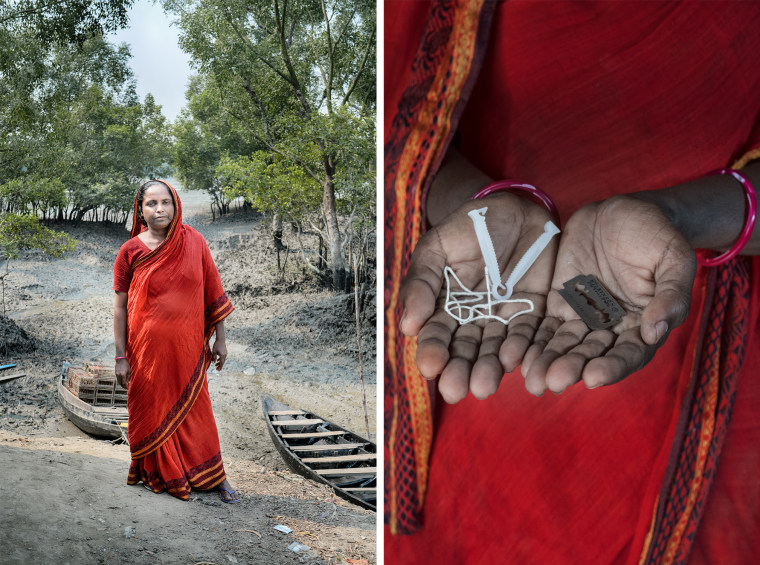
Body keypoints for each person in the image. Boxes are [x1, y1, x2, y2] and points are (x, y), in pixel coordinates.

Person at [385, 1, 760, 563]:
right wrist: (486, 208)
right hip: (482, 408)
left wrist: (680, 218)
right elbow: (399, 124)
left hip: (704, 380)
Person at [113, 179, 239, 503]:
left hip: (189, 350)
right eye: (151, 203)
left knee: (199, 411)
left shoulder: (195, 242)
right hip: (146, 354)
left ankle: (216, 477)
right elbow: (120, 309)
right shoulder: (130, 251)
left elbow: (214, 293)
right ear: (140, 210)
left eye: (165, 202)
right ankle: (163, 474)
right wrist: (120, 357)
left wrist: (220, 341)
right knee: (152, 411)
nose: (160, 209)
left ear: (175, 204)